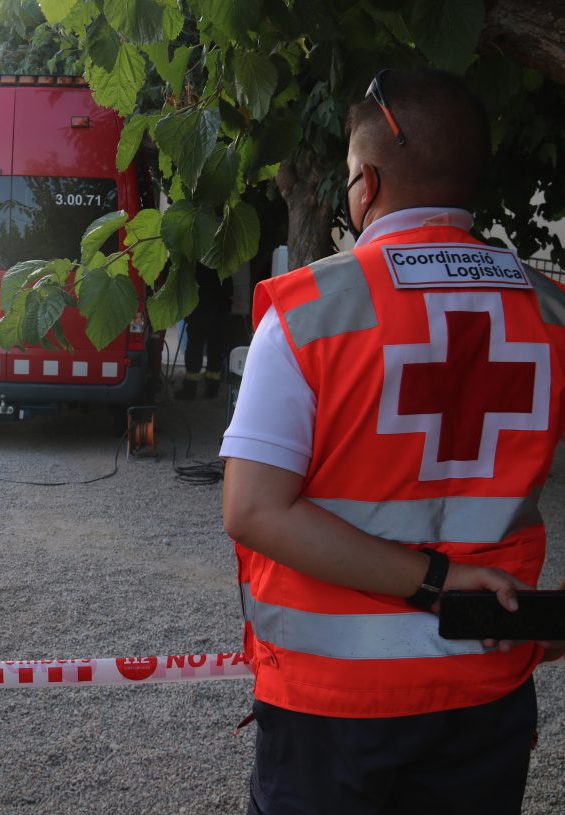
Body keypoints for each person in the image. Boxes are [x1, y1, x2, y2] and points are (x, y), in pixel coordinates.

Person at [221, 69, 565, 814]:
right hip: (485, 690)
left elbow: (253, 510)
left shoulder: (309, 309)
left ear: (366, 183)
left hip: (331, 705)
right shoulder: (552, 311)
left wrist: (432, 582)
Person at [178, 265, 231, 399]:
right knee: (215, 351)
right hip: (218, 314)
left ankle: (190, 390)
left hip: (199, 313)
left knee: (195, 350)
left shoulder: (199, 263)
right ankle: (212, 389)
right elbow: (229, 291)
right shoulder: (224, 264)